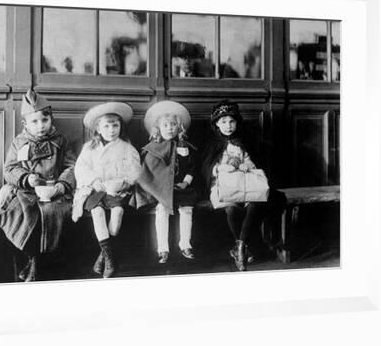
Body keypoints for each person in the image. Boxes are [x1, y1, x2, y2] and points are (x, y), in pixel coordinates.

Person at [0, 89, 76, 282]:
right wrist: (26, 178)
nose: (40, 126)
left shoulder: (60, 141)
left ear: (51, 120)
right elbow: (9, 169)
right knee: (21, 214)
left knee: (50, 214)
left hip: (54, 192)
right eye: (34, 122)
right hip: (25, 191)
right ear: (25, 123)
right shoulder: (19, 142)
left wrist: (61, 185)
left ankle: (37, 263)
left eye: (45, 120)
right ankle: (32, 259)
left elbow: (71, 166)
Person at [72, 102, 141, 278]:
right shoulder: (89, 148)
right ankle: (110, 259)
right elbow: (81, 168)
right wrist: (93, 180)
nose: (111, 130)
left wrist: (125, 182)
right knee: (98, 213)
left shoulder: (126, 147)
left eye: (115, 125)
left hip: (116, 190)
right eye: (106, 126)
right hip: (94, 189)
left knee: (117, 213)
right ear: (98, 129)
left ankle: (103, 255)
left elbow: (135, 171)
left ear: (120, 127)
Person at [201, 100, 267, 271]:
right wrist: (219, 168)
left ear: (237, 123)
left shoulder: (243, 142)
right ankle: (244, 248)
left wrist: (248, 166)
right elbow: (206, 169)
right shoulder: (213, 143)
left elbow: (253, 162)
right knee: (230, 208)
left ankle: (239, 247)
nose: (228, 126)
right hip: (222, 187)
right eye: (223, 122)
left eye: (232, 121)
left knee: (254, 204)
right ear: (216, 124)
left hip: (244, 186)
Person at [136, 101, 198, 264]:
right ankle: (162, 249)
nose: (170, 128)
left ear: (179, 128)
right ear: (158, 128)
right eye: (165, 125)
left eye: (173, 125)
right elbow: (148, 172)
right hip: (161, 190)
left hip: (182, 188)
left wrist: (186, 182)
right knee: (161, 209)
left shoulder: (185, 147)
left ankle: (185, 244)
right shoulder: (153, 148)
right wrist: (158, 188)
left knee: (186, 209)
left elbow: (192, 167)